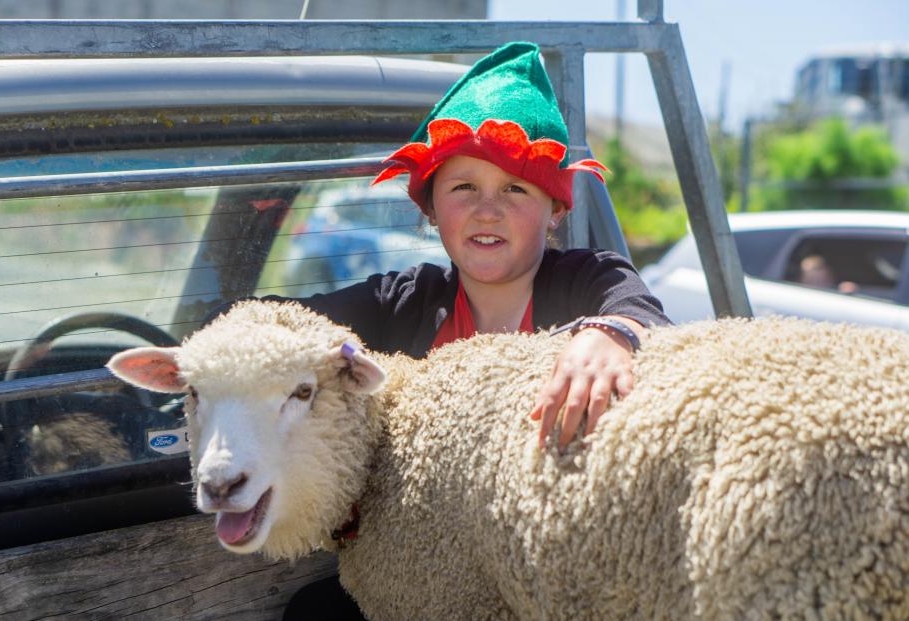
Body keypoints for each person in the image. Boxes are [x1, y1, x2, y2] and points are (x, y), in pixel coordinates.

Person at [269, 41, 671, 620]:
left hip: (556, 566)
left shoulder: (585, 279)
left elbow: (637, 307)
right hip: (427, 567)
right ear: (431, 207)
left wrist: (609, 333)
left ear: (555, 209)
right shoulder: (405, 300)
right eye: (463, 189)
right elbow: (286, 322)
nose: (488, 210)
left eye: (515, 189)